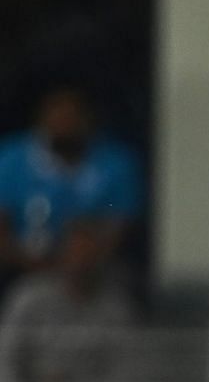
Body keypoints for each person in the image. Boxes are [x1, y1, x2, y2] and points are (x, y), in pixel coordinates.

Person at [0, 85, 142, 291]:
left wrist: (76, 266)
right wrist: (33, 265)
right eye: (57, 118)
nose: (64, 125)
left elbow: (117, 231)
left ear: (88, 120)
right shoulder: (10, 158)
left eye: (71, 118)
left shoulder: (116, 162)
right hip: (21, 264)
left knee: (121, 280)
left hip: (91, 268)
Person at [0, 222, 134, 382]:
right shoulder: (28, 298)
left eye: (89, 255)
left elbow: (126, 371)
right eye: (76, 253)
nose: (81, 262)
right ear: (62, 256)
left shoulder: (116, 308)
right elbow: (5, 358)